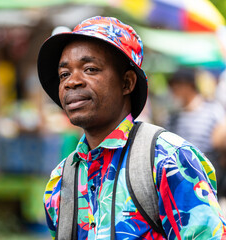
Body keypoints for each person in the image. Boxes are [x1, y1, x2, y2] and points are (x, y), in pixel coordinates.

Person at [37, 16, 226, 239]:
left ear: (127, 82)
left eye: (90, 69)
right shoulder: (60, 181)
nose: (72, 82)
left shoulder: (167, 160)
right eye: (64, 74)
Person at [165, 68, 226, 196]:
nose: (173, 90)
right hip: (182, 178)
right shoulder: (173, 117)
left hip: (210, 176)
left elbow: (219, 141)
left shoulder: (213, 110)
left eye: (177, 85)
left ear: (189, 85)